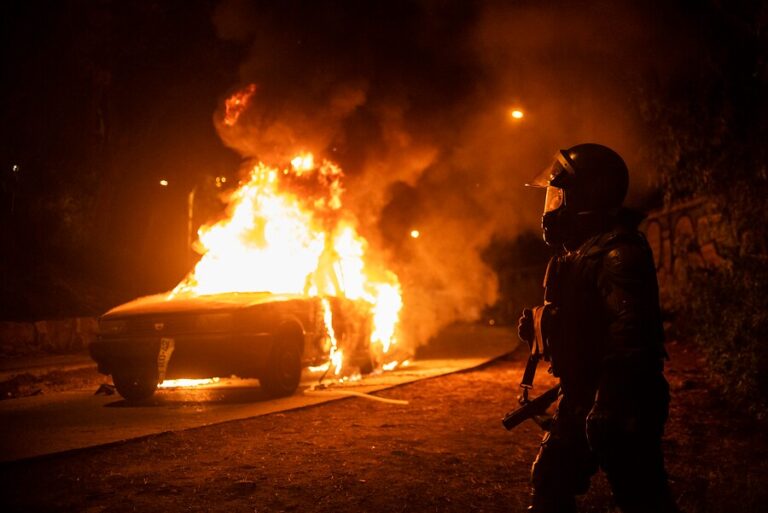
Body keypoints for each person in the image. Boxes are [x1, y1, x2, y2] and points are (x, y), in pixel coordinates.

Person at [517, 144, 678, 512]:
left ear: (589, 195)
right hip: (583, 393)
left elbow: (633, 338)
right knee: (550, 479)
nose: (552, 207)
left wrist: (611, 402)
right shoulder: (579, 253)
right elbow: (583, 323)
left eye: (560, 195)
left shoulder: (618, 253)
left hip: (623, 397)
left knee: (642, 496)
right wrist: (543, 329)